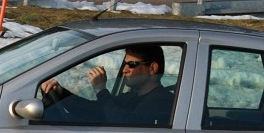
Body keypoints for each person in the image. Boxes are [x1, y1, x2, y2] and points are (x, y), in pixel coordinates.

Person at [40, 45, 174, 126]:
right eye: (125, 63)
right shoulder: (133, 96)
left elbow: (124, 124)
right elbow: (95, 111)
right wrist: (61, 93)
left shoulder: (161, 100)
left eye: (132, 64)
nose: (124, 69)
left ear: (152, 68)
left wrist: (101, 90)